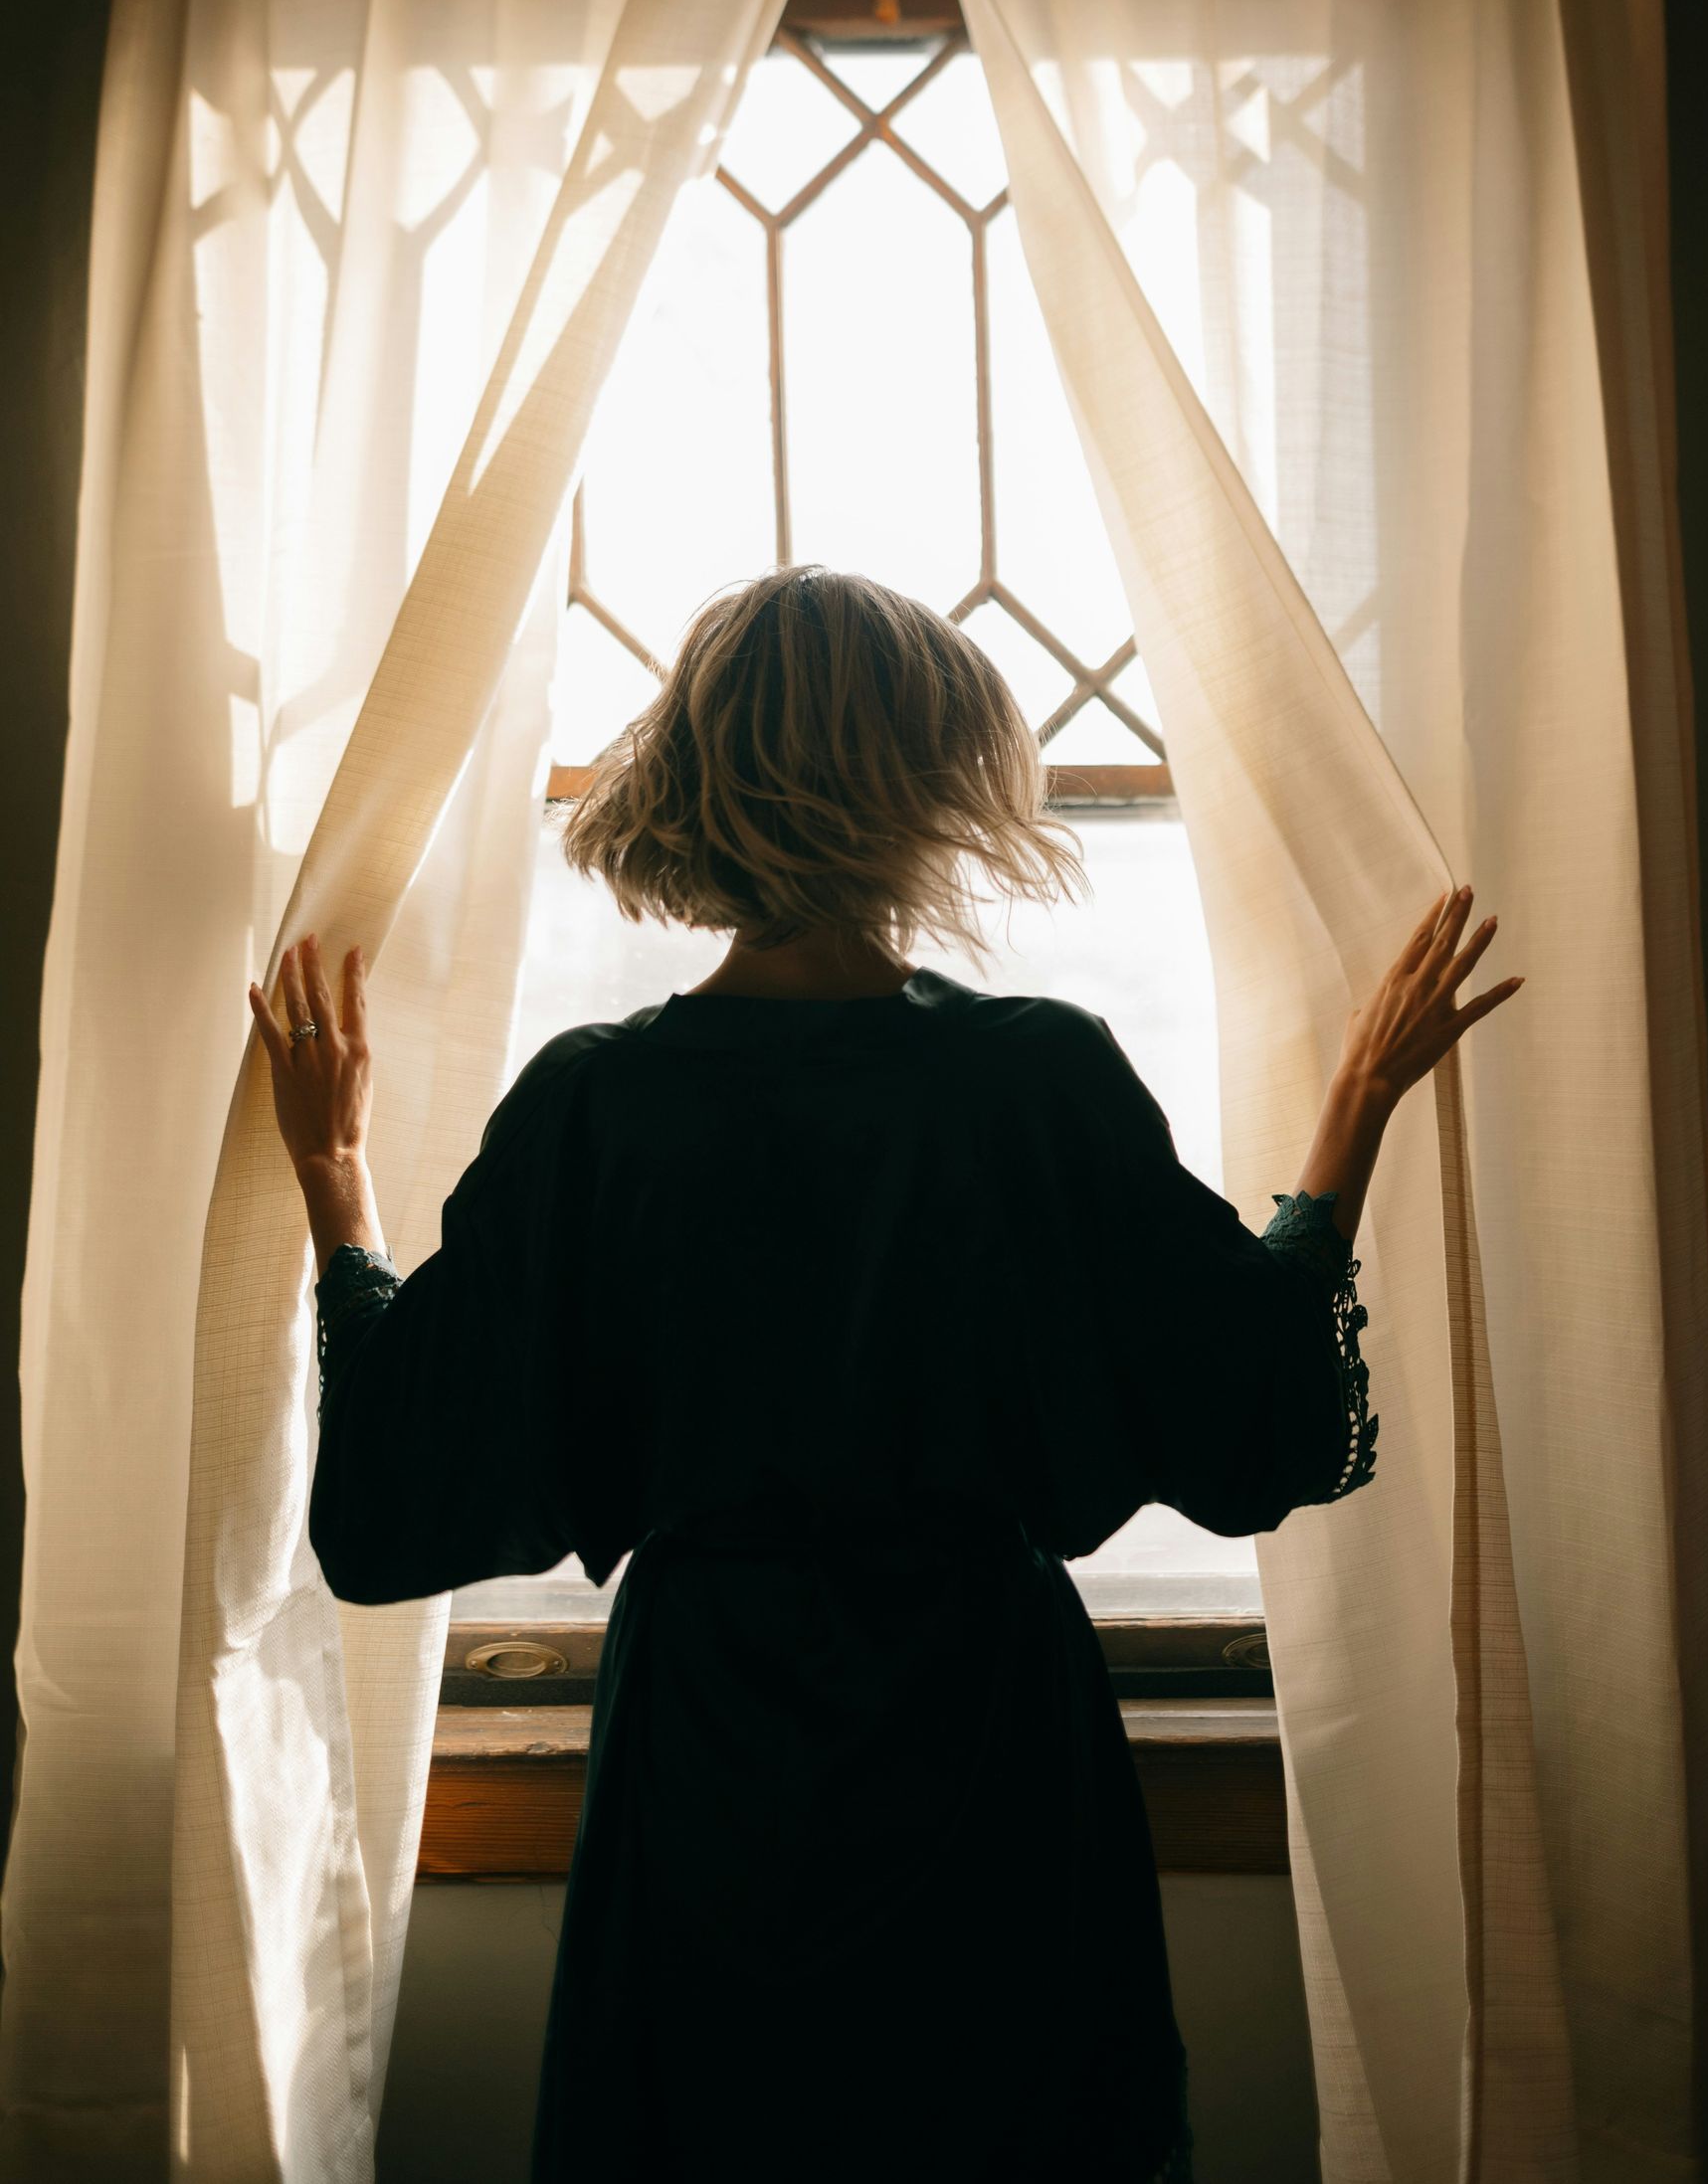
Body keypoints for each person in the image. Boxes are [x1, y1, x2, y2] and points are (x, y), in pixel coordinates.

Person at [250, 565, 1522, 2184]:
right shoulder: (1035, 1081)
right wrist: (1351, 1112)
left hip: (704, 1763)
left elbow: (389, 1500)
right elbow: (1258, 1412)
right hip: (989, 1750)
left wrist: (336, 1185)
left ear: (696, 783)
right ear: (929, 789)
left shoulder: (594, 1109)